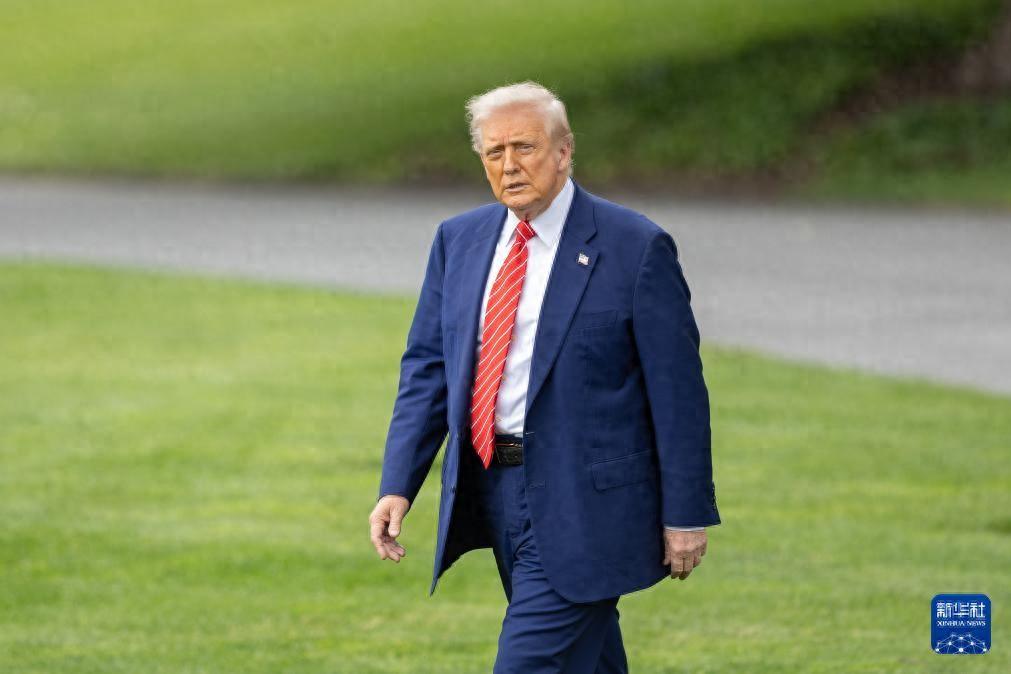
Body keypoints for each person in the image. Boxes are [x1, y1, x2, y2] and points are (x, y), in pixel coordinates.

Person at [369, 80, 721, 672]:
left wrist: (685, 511)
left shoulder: (635, 247)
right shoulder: (458, 241)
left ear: (564, 151)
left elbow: (678, 392)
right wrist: (398, 483)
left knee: (529, 663)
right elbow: (429, 369)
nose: (509, 165)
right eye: (494, 152)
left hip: (587, 503)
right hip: (494, 489)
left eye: (524, 147)